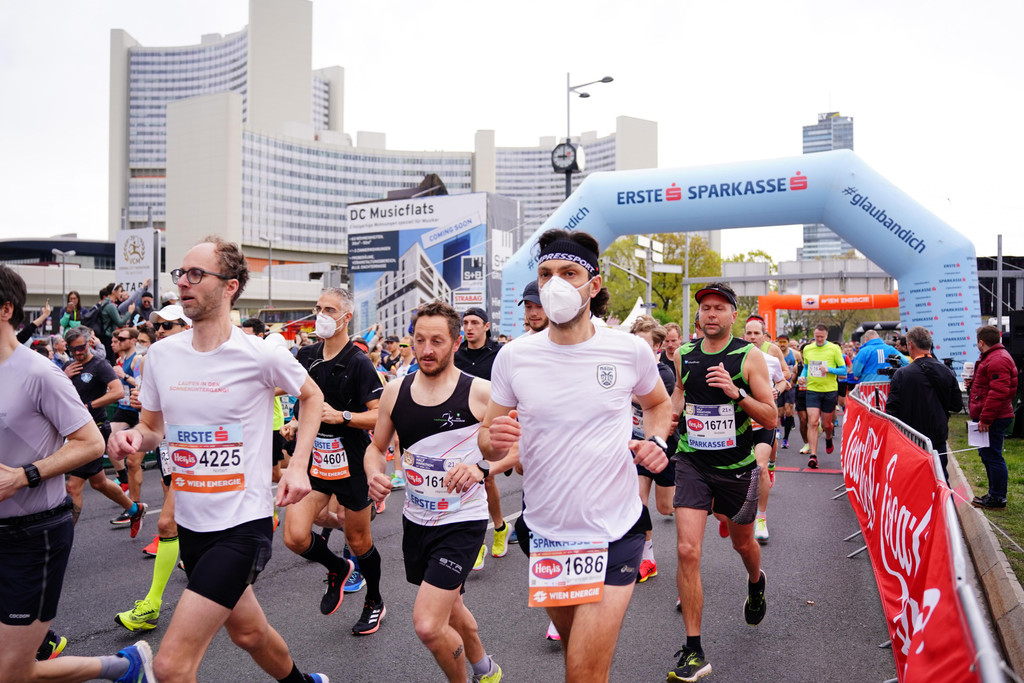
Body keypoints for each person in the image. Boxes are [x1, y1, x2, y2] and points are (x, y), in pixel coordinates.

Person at [107, 236, 330, 683]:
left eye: (196, 274)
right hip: (192, 525)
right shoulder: (162, 356)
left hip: (242, 526)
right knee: (249, 632)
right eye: (180, 274)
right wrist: (132, 437)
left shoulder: (260, 353)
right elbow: (152, 428)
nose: (183, 283)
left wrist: (299, 466)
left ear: (230, 286)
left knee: (171, 666)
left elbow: (312, 397)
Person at [480, 228, 671, 683]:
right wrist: (495, 439)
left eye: (569, 273)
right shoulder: (514, 357)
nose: (555, 284)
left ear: (594, 283)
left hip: (615, 531)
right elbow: (487, 437)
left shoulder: (627, 349)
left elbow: (658, 404)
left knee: (582, 672)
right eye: (546, 274)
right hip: (546, 533)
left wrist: (656, 441)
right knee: (576, 657)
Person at [0, 264, 158, 683]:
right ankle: (40, 640)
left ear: (5, 309)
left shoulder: (39, 372)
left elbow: (89, 443)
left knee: (11, 673)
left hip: (32, 534)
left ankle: (125, 667)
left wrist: (22, 476)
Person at [365, 299, 503, 683]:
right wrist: (374, 473)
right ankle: (486, 669)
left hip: (462, 521)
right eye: (420, 340)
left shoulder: (481, 392)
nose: (427, 350)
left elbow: (524, 444)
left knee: (428, 624)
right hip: (416, 520)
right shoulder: (395, 392)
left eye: (437, 341)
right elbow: (376, 448)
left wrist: (482, 467)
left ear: (456, 342)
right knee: (452, 606)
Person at [666, 283, 775, 682]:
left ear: (733, 315)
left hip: (737, 469)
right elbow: (679, 394)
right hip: (692, 462)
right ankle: (694, 649)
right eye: (705, 308)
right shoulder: (684, 354)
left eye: (719, 308)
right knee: (686, 549)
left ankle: (756, 582)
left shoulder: (749, 356)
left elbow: (771, 416)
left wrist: (736, 392)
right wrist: (671, 418)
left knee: (743, 544)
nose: (711, 314)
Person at [282, 287, 387, 636]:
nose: (321, 315)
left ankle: (374, 600)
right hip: (315, 460)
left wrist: (342, 416)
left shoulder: (359, 362)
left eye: (329, 310)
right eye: (318, 308)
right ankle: (338, 568)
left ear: (346, 317)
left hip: (352, 461)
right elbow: (303, 399)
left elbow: (379, 416)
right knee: (295, 536)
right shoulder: (306, 355)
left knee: (359, 540)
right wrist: (296, 421)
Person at [115, 305, 192, 634]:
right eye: (157, 325)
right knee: (176, 520)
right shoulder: (153, 361)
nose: (160, 330)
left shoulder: (209, 359)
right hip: (169, 446)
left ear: (186, 327)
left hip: (204, 453)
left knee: (167, 522)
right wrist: (141, 413)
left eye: (168, 325)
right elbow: (151, 418)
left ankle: (153, 603)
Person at [61, 326, 148, 535]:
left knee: (73, 487)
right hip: (74, 431)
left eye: (81, 347)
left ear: (89, 343)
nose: (78, 353)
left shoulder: (100, 365)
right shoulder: (68, 366)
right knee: (99, 482)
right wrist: (64, 375)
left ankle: (63, 541)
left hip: (94, 431)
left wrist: (89, 406)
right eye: (73, 349)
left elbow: (117, 392)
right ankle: (135, 509)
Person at [453, 308, 509, 571]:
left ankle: (499, 527)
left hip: (491, 423)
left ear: (486, 326)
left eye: (475, 322)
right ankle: (477, 542)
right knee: (465, 480)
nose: (469, 327)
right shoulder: (456, 354)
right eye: (465, 323)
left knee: (486, 479)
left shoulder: (499, 354)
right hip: (461, 424)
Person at [629, 315, 677, 582]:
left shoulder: (664, 374)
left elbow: (647, 398)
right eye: (635, 343)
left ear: (657, 347)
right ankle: (647, 559)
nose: (639, 350)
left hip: (663, 447)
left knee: (666, 508)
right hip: (637, 445)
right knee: (638, 503)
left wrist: (625, 391)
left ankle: (705, 501)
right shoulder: (628, 370)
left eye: (645, 345)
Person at [885, 326, 963, 482]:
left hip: (910, 437)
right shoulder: (946, 371)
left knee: (912, 481)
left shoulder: (902, 374)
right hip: (937, 435)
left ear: (910, 345)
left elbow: (891, 411)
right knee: (940, 479)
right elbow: (956, 405)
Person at [743, 318, 789, 544]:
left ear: (764, 336)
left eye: (756, 333)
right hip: (739, 425)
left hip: (763, 423)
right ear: (744, 336)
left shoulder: (771, 360)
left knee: (759, 467)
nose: (752, 337)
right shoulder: (734, 358)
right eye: (749, 333)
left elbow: (783, 381)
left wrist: (776, 391)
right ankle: (729, 513)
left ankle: (761, 518)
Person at [966, 325, 1019, 508]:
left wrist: (986, 419)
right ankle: (993, 494)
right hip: (991, 415)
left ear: (981, 342)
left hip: (994, 417)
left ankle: (997, 497)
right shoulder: (993, 357)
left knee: (993, 456)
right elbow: (990, 387)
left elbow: (998, 393)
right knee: (987, 455)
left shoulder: (997, 359)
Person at [800, 324, 846, 468]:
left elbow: (843, 370)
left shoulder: (834, 349)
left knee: (827, 424)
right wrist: (802, 376)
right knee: (813, 422)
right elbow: (806, 367)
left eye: (822, 337)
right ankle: (813, 456)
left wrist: (829, 370)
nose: (819, 339)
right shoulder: (808, 349)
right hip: (812, 389)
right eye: (817, 337)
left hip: (829, 390)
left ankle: (828, 437)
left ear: (826, 336)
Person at [775, 334, 800, 448]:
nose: (782, 344)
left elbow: (802, 365)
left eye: (784, 342)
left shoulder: (795, 354)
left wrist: (796, 379)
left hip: (791, 386)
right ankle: (781, 425)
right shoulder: (774, 353)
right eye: (780, 342)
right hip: (779, 385)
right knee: (780, 412)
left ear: (788, 343)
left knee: (788, 410)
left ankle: (785, 438)